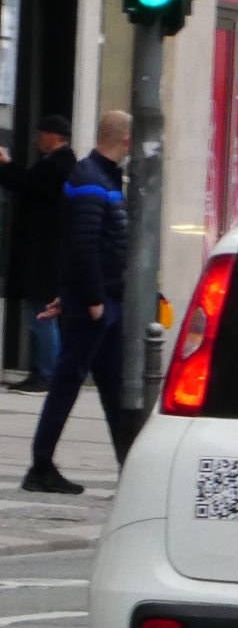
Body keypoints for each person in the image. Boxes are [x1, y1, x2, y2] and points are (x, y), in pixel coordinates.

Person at [24, 111, 133, 493]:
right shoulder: (91, 180)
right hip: (97, 302)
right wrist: (89, 299)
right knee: (69, 381)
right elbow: (83, 244)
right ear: (127, 140)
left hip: (101, 299)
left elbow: (90, 244)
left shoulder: (101, 178)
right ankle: (40, 466)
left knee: (113, 387)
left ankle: (131, 467)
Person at [0, 114, 74, 391]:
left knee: (41, 313)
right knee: (41, 311)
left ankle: (46, 372)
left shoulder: (57, 166)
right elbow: (27, 182)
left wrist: (4, 166)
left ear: (55, 136)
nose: (36, 139)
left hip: (45, 254)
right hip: (47, 252)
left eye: (41, 134)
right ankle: (43, 371)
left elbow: (25, 184)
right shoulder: (57, 164)